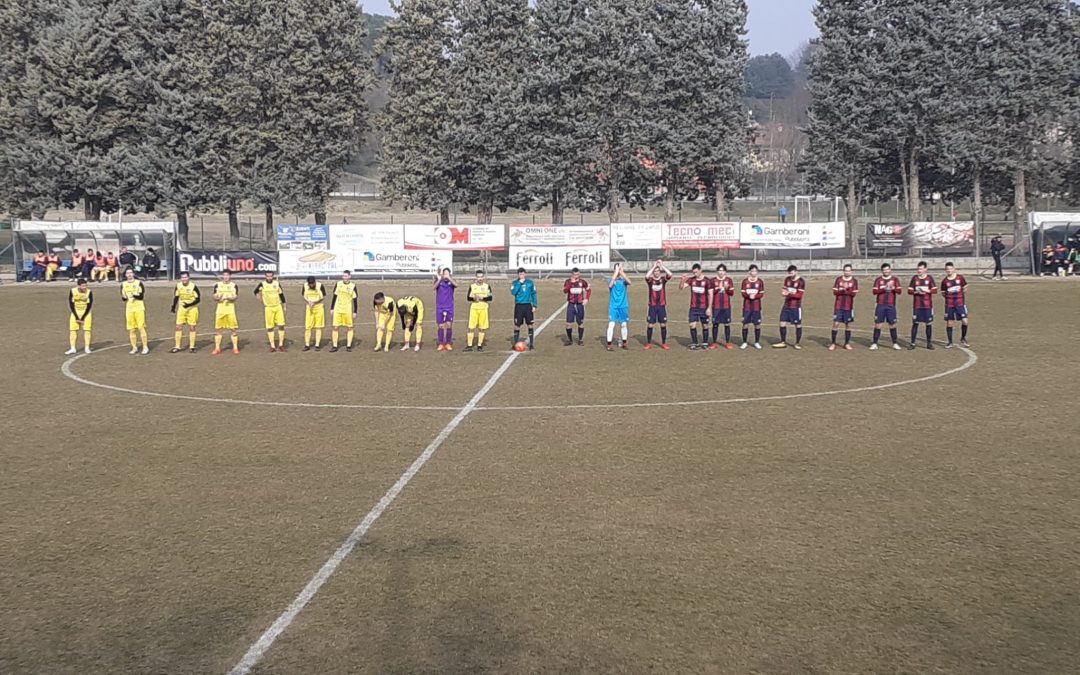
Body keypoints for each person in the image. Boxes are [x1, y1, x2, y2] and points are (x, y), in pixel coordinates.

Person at [869, 263, 903, 350]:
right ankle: (874, 343)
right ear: (882, 271)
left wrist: (892, 288)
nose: (886, 271)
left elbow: (899, 291)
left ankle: (895, 343)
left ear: (890, 270)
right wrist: (884, 288)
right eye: (884, 270)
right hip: (880, 305)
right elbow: (874, 291)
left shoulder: (895, 279)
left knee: (892, 324)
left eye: (887, 269)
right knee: (878, 324)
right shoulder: (878, 280)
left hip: (891, 305)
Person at [679, 263, 712, 350]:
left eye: (696, 272)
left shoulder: (707, 281)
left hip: (703, 307)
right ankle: (695, 343)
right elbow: (681, 287)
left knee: (705, 325)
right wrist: (683, 280)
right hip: (693, 307)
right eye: (693, 272)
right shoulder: (691, 280)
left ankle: (705, 342)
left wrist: (709, 307)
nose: (695, 274)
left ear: (701, 270)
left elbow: (710, 295)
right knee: (692, 325)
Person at [773, 264, 805, 349]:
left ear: (796, 272)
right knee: (782, 322)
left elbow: (799, 295)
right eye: (789, 273)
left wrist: (789, 294)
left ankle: (797, 343)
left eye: (792, 273)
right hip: (786, 305)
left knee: (797, 324)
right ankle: (783, 341)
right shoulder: (787, 280)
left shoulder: (801, 281)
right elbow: (784, 289)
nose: (791, 275)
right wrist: (783, 292)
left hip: (795, 307)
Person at [907, 261, 938, 350]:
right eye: (918, 269)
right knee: (915, 323)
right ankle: (912, 343)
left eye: (921, 269)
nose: (919, 270)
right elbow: (909, 291)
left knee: (928, 324)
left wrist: (927, 291)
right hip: (917, 305)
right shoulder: (914, 278)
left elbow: (935, 290)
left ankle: (929, 343)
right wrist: (916, 291)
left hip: (927, 306)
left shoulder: (929, 278)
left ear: (925, 269)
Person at [254, 271, 287, 352]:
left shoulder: (277, 283)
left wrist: (284, 305)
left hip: (278, 307)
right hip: (268, 308)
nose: (269, 278)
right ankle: (272, 346)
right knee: (270, 327)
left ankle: (281, 345)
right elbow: (255, 291)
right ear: (265, 277)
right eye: (268, 276)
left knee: (281, 325)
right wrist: (259, 297)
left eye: (270, 276)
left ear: (273, 276)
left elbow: (281, 295)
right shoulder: (262, 284)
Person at [644, 259, 673, 350]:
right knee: (650, 325)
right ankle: (649, 343)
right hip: (652, 306)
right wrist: (653, 267)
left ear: (660, 272)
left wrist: (662, 266)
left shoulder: (663, 280)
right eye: (655, 271)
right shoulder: (650, 281)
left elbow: (670, 274)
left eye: (658, 271)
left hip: (661, 306)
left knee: (663, 324)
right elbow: (646, 276)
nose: (656, 273)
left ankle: (664, 343)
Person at [829, 264, 859, 351]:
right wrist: (843, 289)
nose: (847, 272)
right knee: (836, 324)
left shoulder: (854, 281)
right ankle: (833, 343)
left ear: (851, 271)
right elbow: (835, 292)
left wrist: (847, 289)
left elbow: (853, 294)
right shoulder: (838, 280)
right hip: (838, 306)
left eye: (849, 271)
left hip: (848, 307)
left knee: (848, 325)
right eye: (846, 270)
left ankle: (847, 343)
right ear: (843, 271)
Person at [941, 262, 970, 348]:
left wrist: (959, 296)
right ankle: (950, 342)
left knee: (965, 321)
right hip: (949, 304)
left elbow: (965, 288)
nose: (949, 270)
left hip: (960, 304)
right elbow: (943, 293)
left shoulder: (960, 278)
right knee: (950, 323)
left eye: (950, 269)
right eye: (947, 269)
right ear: (945, 270)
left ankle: (963, 338)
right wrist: (950, 297)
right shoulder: (945, 281)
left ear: (954, 269)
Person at [170, 271, 200, 353]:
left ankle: (192, 347)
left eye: (185, 277)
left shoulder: (193, 286)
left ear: (188, 277)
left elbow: (198, 299)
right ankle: (177, 346)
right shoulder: (178, 286)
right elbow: (176, 297)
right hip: (182, 308)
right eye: (182, 277)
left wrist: (189, 304)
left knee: (192, 327)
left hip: (192, 309)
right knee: (178, 326)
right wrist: (173, 307)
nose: (184, 279)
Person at [120, 267, 149, 354]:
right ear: (125, 275)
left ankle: (145, 346)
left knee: (141, 327)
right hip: (129, 309)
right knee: (131, 329)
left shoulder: (139, 283)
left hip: (139, 308)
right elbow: (123, 297)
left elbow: (141, 296)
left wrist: (134, 295)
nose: (129, 274)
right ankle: (134, 347)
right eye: (127, 273)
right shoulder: (123, 284)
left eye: (130, 273)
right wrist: (124, 297)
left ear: (133, 274)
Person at [212, 270, 240, 355]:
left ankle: (235, 348)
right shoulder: (218, 285)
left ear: (230, 276)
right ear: (222, 276)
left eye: (227, 275)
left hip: (230, 310)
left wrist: (228, 298)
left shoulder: (234, 285)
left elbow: (235, 297)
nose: (226, 277)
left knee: (233, 329)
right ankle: (217, 348)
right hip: (220, 310)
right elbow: (214, 297)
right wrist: (218, 298)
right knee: (218, 329)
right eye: (224, 275)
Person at [330, 270, 358, 352]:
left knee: (349, 327)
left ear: (349, 277)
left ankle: (348, 346)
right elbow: (334, 296)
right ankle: (334, 346)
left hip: (348, 310)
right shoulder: (338, 284)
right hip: (338, 309)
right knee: (335, 327)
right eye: (343, 276)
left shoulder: (353, 286)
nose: (344, 278)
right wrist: (332, 308)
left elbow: (355, 300)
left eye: (346, 276)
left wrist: (355, 311)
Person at [605, 263, 631, 351]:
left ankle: (624, 342)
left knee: (624, 324)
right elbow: (610, 285)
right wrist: (616, 273)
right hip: (614, 306)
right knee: (611, 324)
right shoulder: (611, 279)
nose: (619, 271)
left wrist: (622, 273)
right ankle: (609, 344)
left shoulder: (623, 280)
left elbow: (629, 282)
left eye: (620, 269)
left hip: (623, 306)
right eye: (617, 269)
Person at [710, 264, 736, 350]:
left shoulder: (729, 280)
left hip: (726, 306)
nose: (721, 272)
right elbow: (710, 293)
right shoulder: (713, 281)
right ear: (717, 271)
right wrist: (718, 288)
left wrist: (727, 288)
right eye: (719, 270)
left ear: (725, 272)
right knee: (715, 324)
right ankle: (714, 342)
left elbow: (731, 293)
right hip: (716, 306)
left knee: (727, 324)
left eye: (722, 270)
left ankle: (727, 342)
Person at [563, 267, 591, 346]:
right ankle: (570, 340)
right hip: (571, 304)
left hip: (579, 305)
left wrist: (586, 299)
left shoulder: (582, 282)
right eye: (575, 274)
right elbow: (565, 291)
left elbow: (589, 290)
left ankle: (580, 339)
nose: (577, 276)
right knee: (568, 324)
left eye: (578, 274)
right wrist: (571, 283)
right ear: (572, 274)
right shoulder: (568, 281)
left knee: (580, 323)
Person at [465, 270, 492, 352]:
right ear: (476, 277)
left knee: (482, 328)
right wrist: (474, 298)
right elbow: (468, 298)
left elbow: (490, 297)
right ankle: (469, 345)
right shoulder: (472, 286)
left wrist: (482, 298)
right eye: (478, 277)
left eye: (481, 277)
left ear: (483, 277)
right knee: (471, 327)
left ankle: (479, 345)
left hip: (483, 308)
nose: (480, 278)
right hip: (474, 308)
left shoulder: (487, 286)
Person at [511, 267, 538, 350]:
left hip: (527, 305)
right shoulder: (515, 283)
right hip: (519, 306)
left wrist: (534, 305)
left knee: (530, 324)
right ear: (518, 275)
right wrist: (519, 283)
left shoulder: (530, 283)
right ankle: (515, 343)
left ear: (525, 274)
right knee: (517, 325)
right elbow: (513, 292)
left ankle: (531, 344)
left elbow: (534, 294)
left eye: (523, 274)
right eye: (520, 274)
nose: (521, 275)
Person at [740, 264, 765, 350]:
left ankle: (757, 342)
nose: (754, 272)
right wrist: (748, 296)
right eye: (752, 271)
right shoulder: (745, 282)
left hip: (757, 307)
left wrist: (755, 296)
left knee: (757, 325)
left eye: (755, 271)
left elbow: (761, 294)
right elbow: (743, 293)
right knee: (745, 324)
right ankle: (744, 342)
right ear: (749, 272)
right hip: (747, 307)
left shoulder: (760, 282)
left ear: (757, 272)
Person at [65, 277, 93, 354]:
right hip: (75, 313)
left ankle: (87, 347)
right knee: (73, 330)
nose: (85, 287)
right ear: (78, 286)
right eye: (83, 286)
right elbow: (71, 304)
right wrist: (77, 317)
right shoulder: (72, 291)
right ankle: (73, 348)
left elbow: (89, 305)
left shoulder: (89, 292)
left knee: (87, 330)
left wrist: (83, 318)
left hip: (86, 313)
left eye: (85, 286)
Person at [434, 267, 457, 351]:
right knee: (441, 325)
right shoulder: (439, 281)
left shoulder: (451, 283)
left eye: (447, 273)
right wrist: (439, 279)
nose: (446, 275)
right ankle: (441, 343)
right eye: (445, 273)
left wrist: (449, 278)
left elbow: (456, 285)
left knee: (449, 325)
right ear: (442, 274)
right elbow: (433, 287)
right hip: (440, 307)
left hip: (449, 307)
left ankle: (448, 343)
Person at [302, 275, 327, 352]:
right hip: (309, 308)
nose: (311, 285)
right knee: (308, 327)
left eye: (313, 283)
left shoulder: (320, 286)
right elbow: (303, 295)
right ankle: (307, 344)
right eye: (310, 284)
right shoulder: (305, 286)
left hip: (319, 307)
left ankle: (317, 345)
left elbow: (323, 297)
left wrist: (315, 302)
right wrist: (308, 301)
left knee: (318, 327)